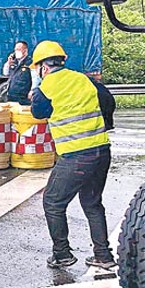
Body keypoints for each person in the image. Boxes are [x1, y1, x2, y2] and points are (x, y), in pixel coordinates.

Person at [29, 40, 116, 270]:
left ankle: (62, 254)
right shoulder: (84, 79)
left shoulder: (45, 89)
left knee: (53, 202)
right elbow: (108, 101)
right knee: (92, 203)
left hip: (76, 156)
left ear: (42, 67)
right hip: (101, 150)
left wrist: (37, 92)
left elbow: (38, 113)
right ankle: (103, 255)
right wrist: (103, 123)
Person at [2, 40, 33, 105]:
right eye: (16, 49)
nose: (16, 51)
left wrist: (32, 91)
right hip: (11, 95)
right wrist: (8, 63)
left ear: (25, 50)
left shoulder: (30, 63)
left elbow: (35, 79)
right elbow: (5, 73)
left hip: (23, 96)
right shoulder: (13, 62)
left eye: (19, 49)